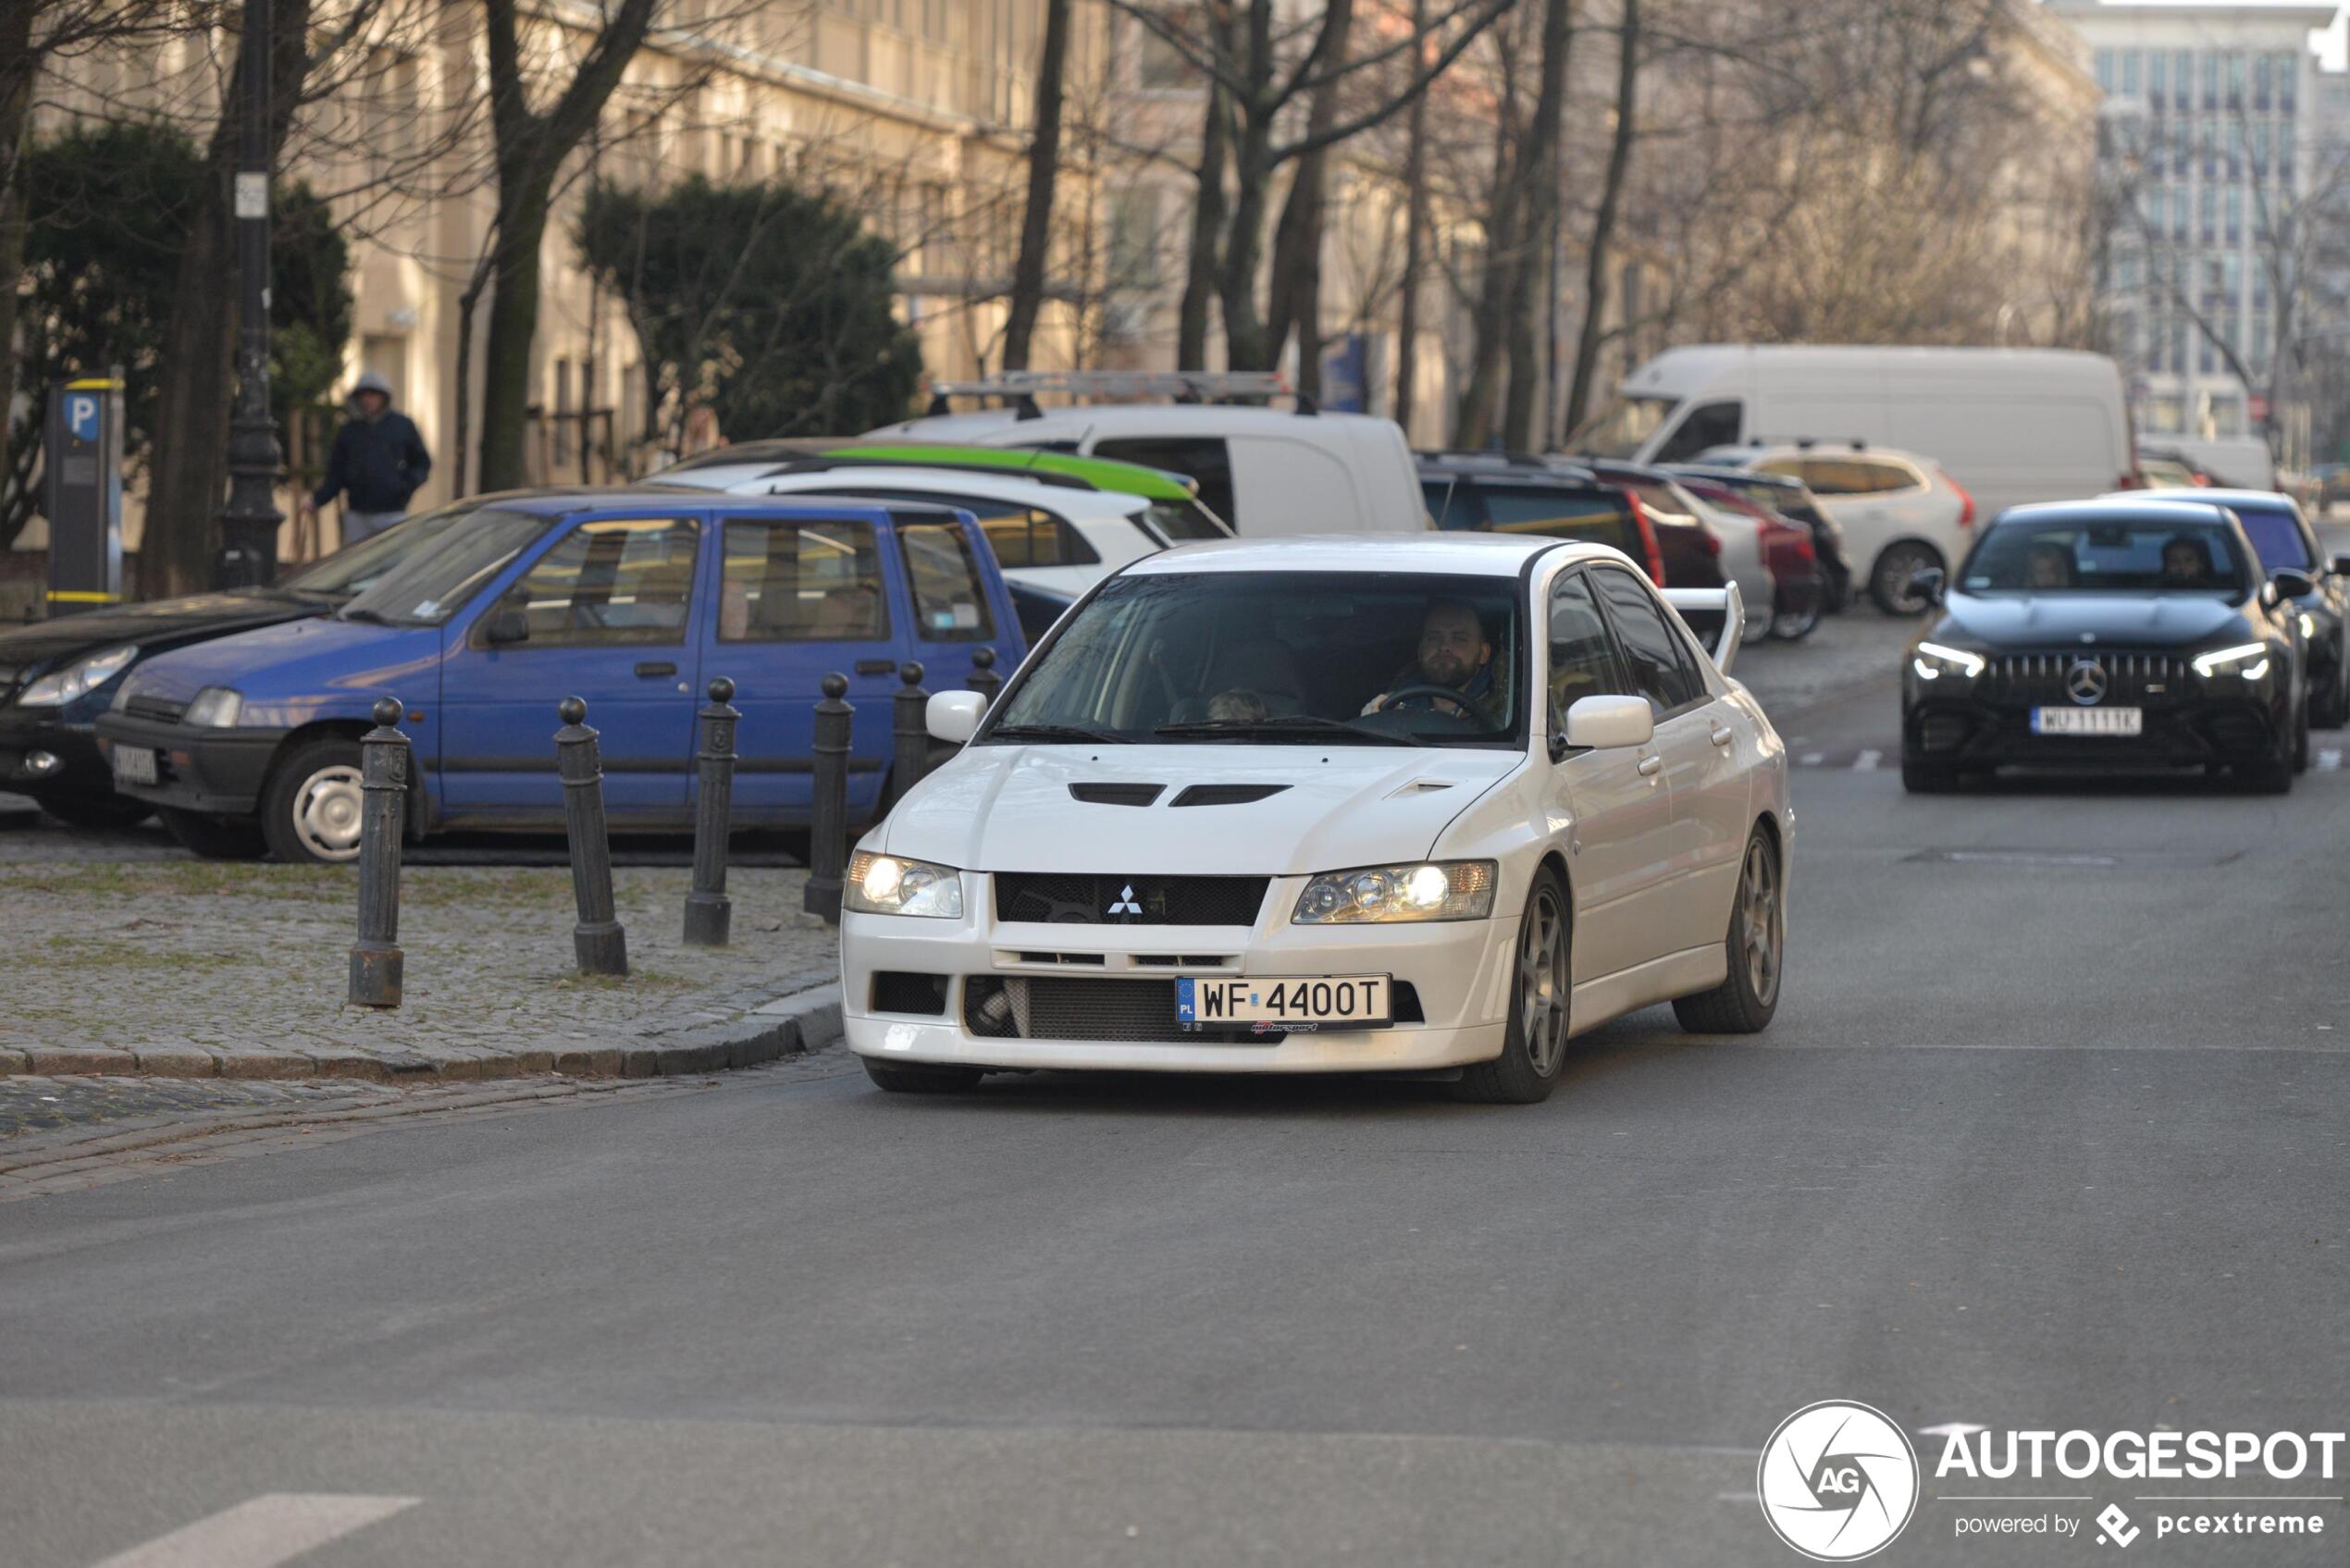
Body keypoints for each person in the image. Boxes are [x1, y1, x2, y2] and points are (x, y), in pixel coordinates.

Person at [309, 370, 431, 546]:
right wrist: (317, 500)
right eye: (363, 395)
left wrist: (405, 486)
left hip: (392, 511)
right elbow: (336, 472)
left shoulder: (402, 426)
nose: (368, 400)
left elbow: (421, 462)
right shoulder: (349, 431)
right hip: (357, 513)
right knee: (357, 565)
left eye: (373, 394)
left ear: (383, 397)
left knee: (394, 562)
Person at [1362, 599, 1498, 722]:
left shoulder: (1506, 712)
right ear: (1420, 651)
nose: (1444, 647)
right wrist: (1375, 718)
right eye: (1434, 637)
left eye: (1459, 638)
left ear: (1483, 653)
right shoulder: (1394, 704)